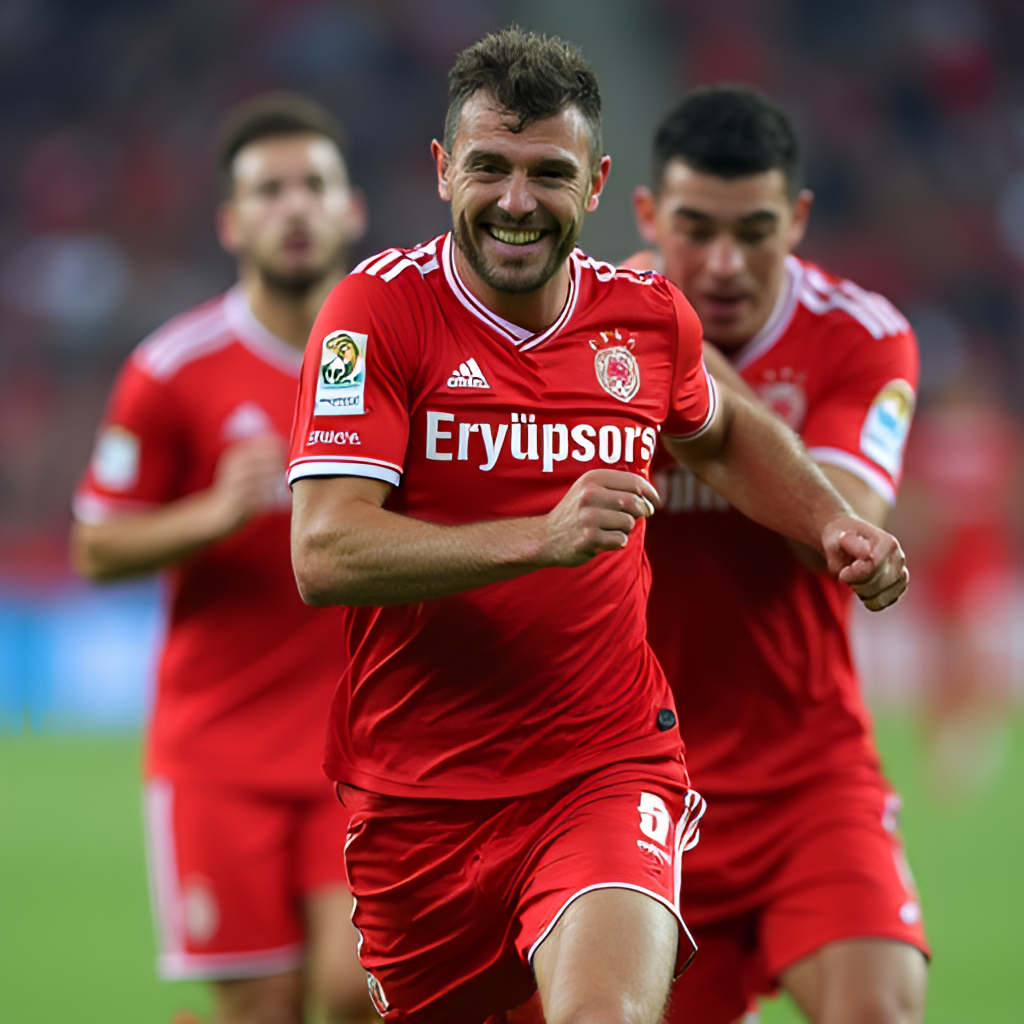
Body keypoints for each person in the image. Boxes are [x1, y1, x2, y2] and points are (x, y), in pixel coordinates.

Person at [288, 29, 908, 1024]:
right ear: (443, 168)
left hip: (607, 763)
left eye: (549, 173)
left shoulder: (647, 319)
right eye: (489, 167)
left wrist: (831, 522)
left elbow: (720, 432)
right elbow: (324, 550)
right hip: (418, 792)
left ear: (597, 183)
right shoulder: (374, 313)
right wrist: (542, 536)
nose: (517, 201)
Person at [625, 85, 929, 1024]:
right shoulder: (583, 338)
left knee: (880, 1010)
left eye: (754, 231)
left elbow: (835, 541)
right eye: (695, 228)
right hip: (632, 781)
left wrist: (681, 357)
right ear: (647, 214)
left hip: (808, 773)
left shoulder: (862, 335)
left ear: (796, 219)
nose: (723, 263)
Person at [71, 93, 373, 1024]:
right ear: (231, 222)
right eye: (268, 190)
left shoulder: (400, 360)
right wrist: (210, 515)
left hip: (362, 747)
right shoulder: (172, 368)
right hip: (217, 755)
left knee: (357, 989)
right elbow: (95, 547)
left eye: (313, 185)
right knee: (263, 1007)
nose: (294, 207)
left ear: (352, 209)